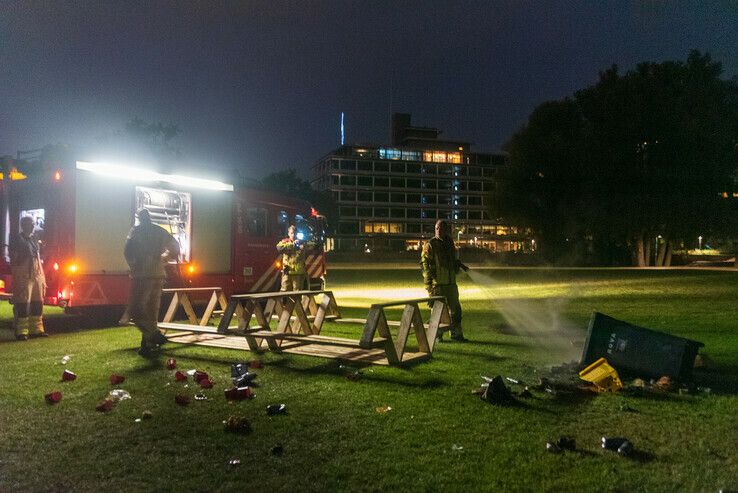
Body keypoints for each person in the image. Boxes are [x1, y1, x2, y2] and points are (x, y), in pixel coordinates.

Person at [124, 209, 180, 357]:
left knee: (136, 310)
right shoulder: (160, 231)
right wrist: (164, 259)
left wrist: (133, 265)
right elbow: (175, 248)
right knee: (151, 311)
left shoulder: (136, 231)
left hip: (143, 275)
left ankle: (154, 334)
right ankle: (147, 345)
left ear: (139, 218)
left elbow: (128, 251)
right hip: (159, 274)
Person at [421, 219, 469, 342]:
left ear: (446, 230)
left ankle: (456, 334)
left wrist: (459, 265)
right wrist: (429, 286)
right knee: (437, 312)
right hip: (438, 285)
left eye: (441, 228)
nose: (439, 230)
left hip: (451, 284)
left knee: (456, 311)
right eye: (437, 228)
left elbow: (453, 261)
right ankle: (437, 336)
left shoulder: (450, 243)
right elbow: (425, 266)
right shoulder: (430, 244)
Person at [10, 216, 47, 340]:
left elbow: (37, 257)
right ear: (24, 225)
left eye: (33, 224)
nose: (33, 226)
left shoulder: (34, 239)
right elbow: (14, 259)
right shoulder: (17, 239)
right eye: (30, 224)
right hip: (23, 274)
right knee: (23, 302)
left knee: (37, 301)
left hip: (36, 274)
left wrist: (42, 276)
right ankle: (22, 332)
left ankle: (37, 329)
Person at [276, 225, 309, 291]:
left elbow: (311, 245)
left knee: (296, 295)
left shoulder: (302, 243)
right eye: (291, 233)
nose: (293, 235)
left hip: (298, 274)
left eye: (295, 233)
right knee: (284, 292)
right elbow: (279, 248)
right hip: (287, 272)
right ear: (288, 234)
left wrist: (302, 246)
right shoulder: (284, 242)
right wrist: (293, 245)